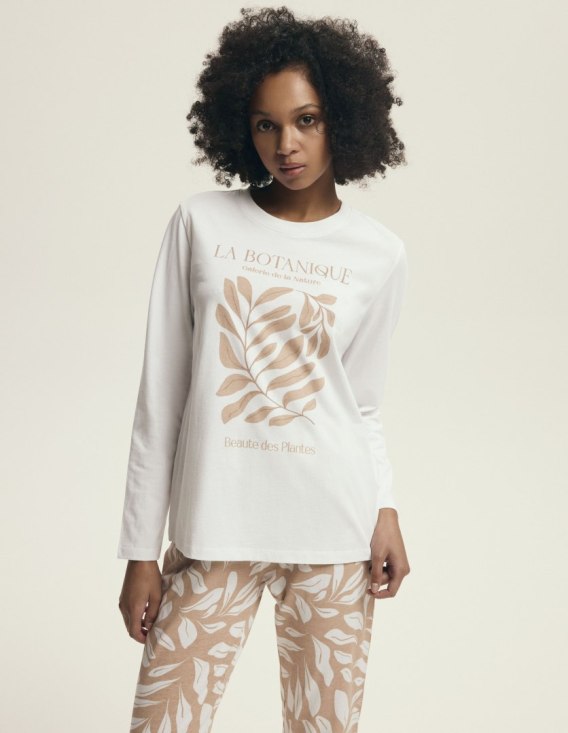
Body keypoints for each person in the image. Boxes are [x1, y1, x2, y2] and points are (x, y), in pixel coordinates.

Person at [117, 6, 411, 732]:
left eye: (307, 120)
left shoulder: (379, 253)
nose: (287, 144)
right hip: (214, 525)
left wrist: (385, 509)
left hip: (334, 533)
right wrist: (140, 552)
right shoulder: (201, 224)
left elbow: (361, 404)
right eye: (265, 125)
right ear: (240, 130)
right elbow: (162, 399)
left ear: (343, 118)